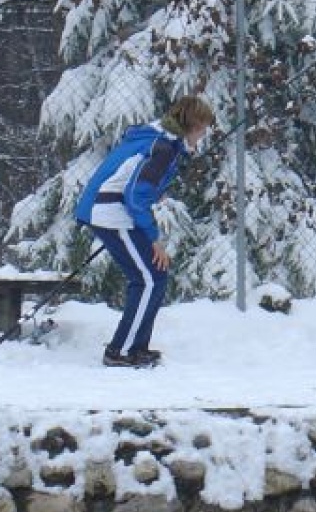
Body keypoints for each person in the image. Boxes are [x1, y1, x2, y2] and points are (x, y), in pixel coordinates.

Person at [76, 95, 215, 367]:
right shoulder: (162, 148)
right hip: (111, 213)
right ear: (194, 125)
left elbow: (135, 182)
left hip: (109, 210)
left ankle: (136, 347)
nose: (204, 135)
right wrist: (153, 239)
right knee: (149, 279)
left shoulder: (158, 140)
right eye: (204, 128)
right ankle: (121, 351)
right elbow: (135, 195)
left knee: (152, 276)